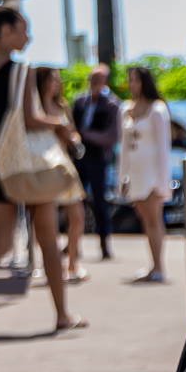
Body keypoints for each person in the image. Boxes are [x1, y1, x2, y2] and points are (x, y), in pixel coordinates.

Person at [0, 6, 81, 335]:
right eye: (23, 29)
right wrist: (60, 123)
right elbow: (29, 119)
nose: (28, 36)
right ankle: (62, 315)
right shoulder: (22, 71)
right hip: (27, 165)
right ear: (6, 31)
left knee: (0, 243)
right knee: (48, 241)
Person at [115, 66, 174, 282]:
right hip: (135, 172)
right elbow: (122, 147)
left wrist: (162, 181)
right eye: (130, 80)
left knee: (153, 219)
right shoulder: (124, 109)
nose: (133, 84)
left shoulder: (157, 109)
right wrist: (121, 178)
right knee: (143, 219)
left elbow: (163, 147)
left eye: (137, 80)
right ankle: (152, 265)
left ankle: (159, 266)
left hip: (152, 172)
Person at [33, 67, 90, 284]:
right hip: (43, 168)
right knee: (45, 221)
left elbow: (73, 132)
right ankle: (50, 264)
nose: (56, 83)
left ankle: (72, 263)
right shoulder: (34, 108)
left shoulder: (62, 105)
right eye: (52, 79)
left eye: (57, 79)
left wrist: (73, 138)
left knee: (76, 216)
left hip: (64, 165)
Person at [72, 65, 119, 263]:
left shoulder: (111, 104)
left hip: (98, 158)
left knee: (99, 200)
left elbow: (110, 136)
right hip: (78, 156)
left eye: (99, 80)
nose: (94, 84)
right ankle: (74, 243)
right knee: (74, 200)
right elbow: (71, 126)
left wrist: (86, 135)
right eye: (92, 79)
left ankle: (104, 242)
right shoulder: (80, 101)